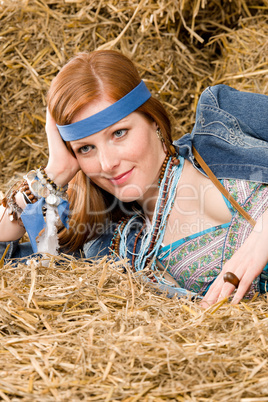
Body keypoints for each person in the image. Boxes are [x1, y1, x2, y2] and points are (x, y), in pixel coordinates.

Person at [1, 49, 268, 307]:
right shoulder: (112, 248)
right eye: (86, 148)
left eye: (119, 133)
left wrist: (260, 238)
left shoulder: (223, 119)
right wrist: (54, 173)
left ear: (152, 118)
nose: (108, 164)